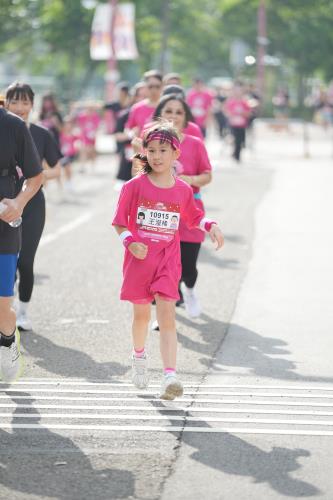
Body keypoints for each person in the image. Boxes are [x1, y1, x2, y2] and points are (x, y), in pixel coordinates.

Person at [112, 122, 224, 399]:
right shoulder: (133, 186)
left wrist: (210, 225)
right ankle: (139, 357)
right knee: (141, 316)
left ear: (176, 153)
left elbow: (194, 216)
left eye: (163, 150)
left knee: (167, 315)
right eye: (151, 150)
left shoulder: (183, 190)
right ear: (145, 153)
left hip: (167, 261)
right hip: (139, 261)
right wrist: (131, 242)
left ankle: (170, 376)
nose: (157, 156)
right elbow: (118, 223)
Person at [5, 82, 62, 331]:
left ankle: (23, 311)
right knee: (7, 260)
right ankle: (7, 308)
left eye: (25, 102)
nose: (19, 107)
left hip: (33, 203)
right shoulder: (4, 128)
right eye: (14, 102)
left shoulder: (41, 134)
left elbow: (57, 169)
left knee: (25, 261)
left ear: (32, 105)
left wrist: (33, 175)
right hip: (5, 202)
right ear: (5, 103)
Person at [152, 94, 213, 318]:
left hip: (189, 212)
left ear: (186, 117)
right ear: (160, 114)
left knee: (187, 268)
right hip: (158, 213)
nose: (173, 116)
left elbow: (207, 175)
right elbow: (137, 174)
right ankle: (163, 313)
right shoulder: (151, 141)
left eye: (179, 112)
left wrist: (190, 180)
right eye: (169, 111)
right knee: (161, 268)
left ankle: (189, 290)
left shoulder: (195, 144)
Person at [0, 106, 43, 381]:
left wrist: (19, 202)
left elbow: (35, 176)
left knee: (2, 304)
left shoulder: (13, 125)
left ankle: (6, 342)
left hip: (5, 220)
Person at [125, 70, 163, 136]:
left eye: (157, 86)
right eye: (150, 86)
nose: (154, 90)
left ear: (162, 86)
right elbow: (128, 128)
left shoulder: (168, 107)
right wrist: (131, 134)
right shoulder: (137, 108)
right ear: (145, 87)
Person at [224, 82, 251, 163]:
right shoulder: (231, 101)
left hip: (242, 124)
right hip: (233, 124)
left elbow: (248, 113)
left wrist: (242, 113)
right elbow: (226, 111)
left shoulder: (245, 102)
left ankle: (237, 154)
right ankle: (236, 155)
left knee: (240, 140)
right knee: (235, 139)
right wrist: (231, 115)